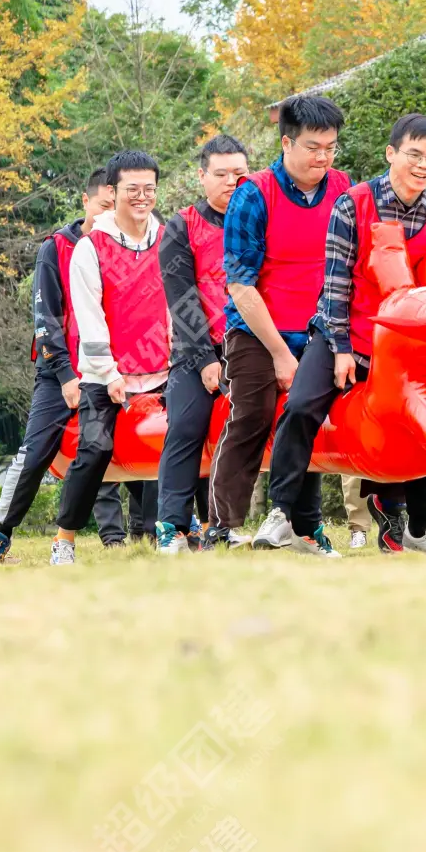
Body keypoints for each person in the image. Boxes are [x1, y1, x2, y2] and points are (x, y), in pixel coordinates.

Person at [262, 113, 426, 556]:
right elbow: (335, 285)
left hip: (408, 346)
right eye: (414, 154)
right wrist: (341, 349)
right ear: (391, 153)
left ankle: (418, 528)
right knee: (300, 406)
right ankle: (281, 514)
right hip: (347, 332)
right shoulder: (353, 204)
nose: (423, 165)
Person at [208, 95, 352, 556]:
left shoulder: (344, 190)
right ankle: (222, 527)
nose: (323, 158)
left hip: (320, 328)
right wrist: (279, 354)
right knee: (253, 413)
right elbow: (240, 286)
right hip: (256, 329)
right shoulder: (254, 194)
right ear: (287, 143)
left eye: (330, 147)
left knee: (305, 409)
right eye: (313, 147)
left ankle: (306, 528)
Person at [0, 170, 112, 563]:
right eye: (103, 205)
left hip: (111, 368)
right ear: (86, 202)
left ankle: (176, 528)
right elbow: (46, 319)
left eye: (115, 206)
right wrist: (67, 376)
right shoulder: (56, 248)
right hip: (61, 370)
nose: (109, 213)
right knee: (35, 452)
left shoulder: (125, 247)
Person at [49, 150, 171, 566]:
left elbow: (178, 305)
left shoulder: (168, 239)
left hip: (163, 371)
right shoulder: (90, 248)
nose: (142, 197)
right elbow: (89, 317)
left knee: (182, 442)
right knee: (94, 450)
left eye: (149, 189)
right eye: (132, 189)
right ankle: (64, 539)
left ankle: (188, 531)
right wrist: (108, 373)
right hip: (105, 376)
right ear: (113, 191)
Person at [155, 133, 250, 553]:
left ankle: (227, 524)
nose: (232, 182)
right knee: (187, 424)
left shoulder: (258, 220)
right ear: (202, 176)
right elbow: (182, 299)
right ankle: (171, 526)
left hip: (251, 347)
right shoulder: (182, 226)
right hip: (196, 352)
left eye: (240, 174)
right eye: (222, 174)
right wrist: (206, 360)